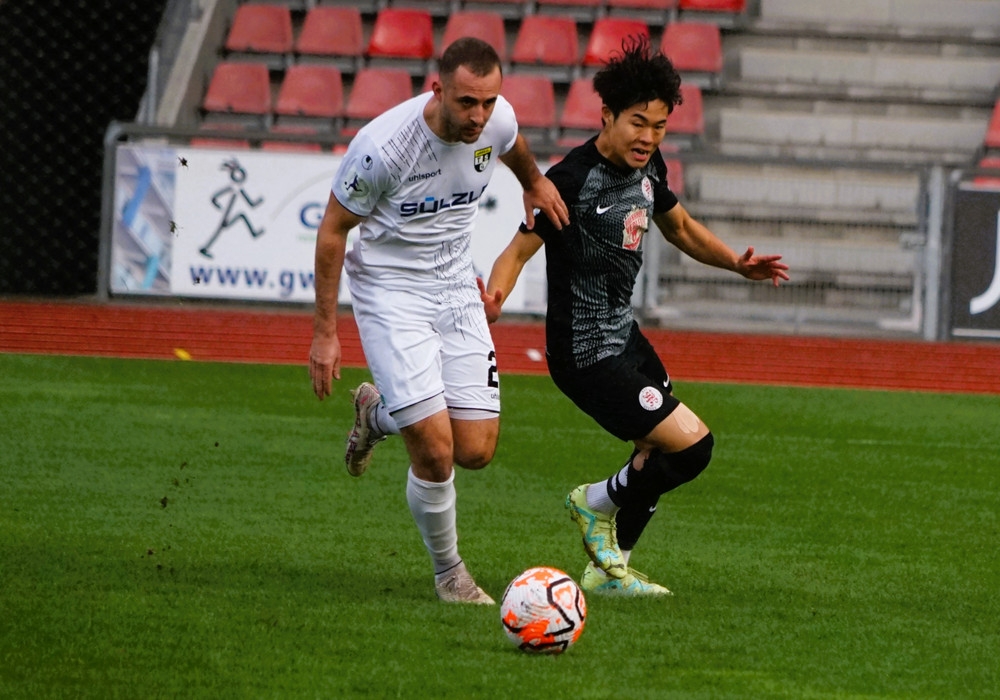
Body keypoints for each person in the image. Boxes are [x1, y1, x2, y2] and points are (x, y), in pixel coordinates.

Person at [482, 37, 790, 597]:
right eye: (638, 123)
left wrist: (735, 264)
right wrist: (496, 296)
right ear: (607, 115)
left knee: (659, 447)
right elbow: (517, 251)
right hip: (584, 353)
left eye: (660, 126)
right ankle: (594, 501)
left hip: (624, 337)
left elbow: (681, 227)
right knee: (692, 446)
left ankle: (610, 573)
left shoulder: (650, 167)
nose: (648, 137)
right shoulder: (572, 180)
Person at [308, 38, 570, 605]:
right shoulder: (382, 148)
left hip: (455, 283)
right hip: (391, 293)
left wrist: (533, 180)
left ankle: (377, 414)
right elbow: (332, 231)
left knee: (475, 449)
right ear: (437, 90)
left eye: (489, 102)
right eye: (467, 102)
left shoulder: (497, 122)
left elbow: (513, 144)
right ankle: (450, 574)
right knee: (434, 451)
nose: (479, 116)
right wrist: (326, 333)